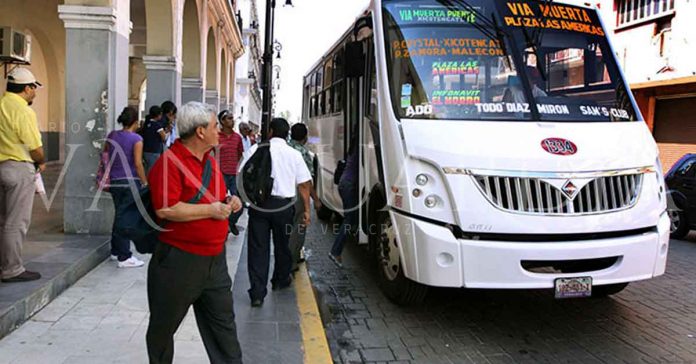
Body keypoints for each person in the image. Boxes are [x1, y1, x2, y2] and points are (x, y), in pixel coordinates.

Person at [146, 101, 243, 363]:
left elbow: (220, 196)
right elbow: (166, 209)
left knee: (224, 329)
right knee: (163, 330)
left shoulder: (210, 161)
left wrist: (230, 201)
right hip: (179, 261)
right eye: (214, 127)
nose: (219, 132)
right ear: (200, 131)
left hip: (215, 261)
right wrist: (210, 211)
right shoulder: (170, 163)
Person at [241, 118, 312, 307]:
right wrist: (306, 210)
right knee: (283, 245)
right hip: (284, 207)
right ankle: (280, 279)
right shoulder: (294, 154)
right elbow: (304, 184)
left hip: (260, 207)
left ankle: (257, 293)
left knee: (258, 249)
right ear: (286, 133)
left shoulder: (255, 150)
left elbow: (241, 175)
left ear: (270, 131)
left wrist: (248, 202)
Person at [0, 68, 44, 283]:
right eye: (34, 88)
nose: (35, 93)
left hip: (1, 166)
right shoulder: (23, 111)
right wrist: (41, 160)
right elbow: (35, 147)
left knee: (2, 220)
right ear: (27, 88)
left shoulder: (1, 105)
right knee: (16, 222)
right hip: (18, 168)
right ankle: (12, 269)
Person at [104, 107, 147, 268]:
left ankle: (116, 251)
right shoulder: (136, 139)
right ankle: (124, 256)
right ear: (135, 122)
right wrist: (144, 182)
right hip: (130, 182)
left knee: (119, 214)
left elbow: (105, 155)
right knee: (126, 218)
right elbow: (137, 163)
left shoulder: (112, 136)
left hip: (115, 181)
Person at [287, 123, 321, 272]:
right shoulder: (303, 153)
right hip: (297, 195)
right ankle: (291, 262)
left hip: (282, 194)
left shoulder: (286, 148)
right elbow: (305, 182)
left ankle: (284, 259)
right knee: (298, 229)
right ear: (305, 137)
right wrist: (315, 200)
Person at [328, 140, 360, 268]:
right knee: (349, 220)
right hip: (348, 186)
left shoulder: (354, 148)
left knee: (351, 218)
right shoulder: (360, 148)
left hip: (344, 184)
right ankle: (335, 252)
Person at [217, 110, 244, 235]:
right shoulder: (216, 136)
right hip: (220, 174)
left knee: (239, 203)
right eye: (229, 118)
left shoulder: (237, 138)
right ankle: (222, 228)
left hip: (234, 174)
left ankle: (231, 222)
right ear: (222, 121)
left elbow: (240, 154)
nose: (232, 121)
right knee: (220, 201)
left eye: (232, 118)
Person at [142, 105, 167, 172]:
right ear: (159, 115)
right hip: (154, 151)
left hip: (146, 150)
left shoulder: (147, 124)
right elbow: (163, 136)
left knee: (147, 168)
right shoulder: (157, 125)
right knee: (153, 169)